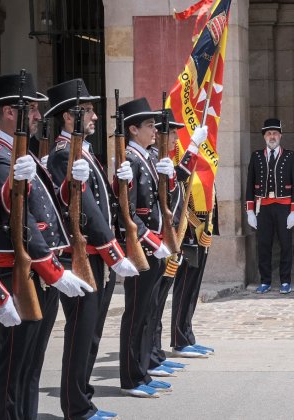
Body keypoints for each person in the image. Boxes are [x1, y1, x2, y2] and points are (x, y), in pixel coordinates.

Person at [0, 72, 94, 420]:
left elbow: (50, 206)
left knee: (30, 368)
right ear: (10, 112)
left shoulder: (22, 157)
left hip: (36, 273)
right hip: (14, 276)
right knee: (10, 374)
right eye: (32, 109)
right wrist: (54, 272)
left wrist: (73, 184)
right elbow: (16, 216)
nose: (39, 115)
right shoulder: (2, 157)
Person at [46, 78, 138, 419]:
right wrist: (114, 253)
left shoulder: (83, 153)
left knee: (92, 333)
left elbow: (103, 203)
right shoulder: (62, 154)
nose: (95, 116)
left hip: (98, 256)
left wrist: (121, 182)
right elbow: (82, 209)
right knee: (80, 334)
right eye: (87, 110)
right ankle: (76, 406)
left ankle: (84, 399)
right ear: (69, 117)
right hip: (83, 256)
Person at [117, 97, 174, 398]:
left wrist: (170, 175)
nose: (155, 131)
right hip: (143, 247)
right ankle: (131, 376)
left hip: (155, 246)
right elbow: (127, 212)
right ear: (133, 129)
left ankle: (143, 370)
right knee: (136, 313)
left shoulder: (148, 157)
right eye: (150, 125)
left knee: (148, 311)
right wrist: (153, 241)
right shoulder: (129, 160)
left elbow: (161, 202)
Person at [165, 112, 218, 358]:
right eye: (173, 131)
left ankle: (186, 335)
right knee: (183, 286)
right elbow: (178, 185)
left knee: (192, 288)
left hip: (199, 230)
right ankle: (179, 339)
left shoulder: (195, 154)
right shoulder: (169, 156)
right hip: (185, 231)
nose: (176, 135)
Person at [245, 118, 294, 294]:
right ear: (264, 136)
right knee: (263, 245)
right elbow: (249, 185)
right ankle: (265, 281)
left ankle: (285, 281)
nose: (272, 136)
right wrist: (250, 211)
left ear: (280, 135)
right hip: (263, 208)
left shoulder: (290, 156)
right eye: (268, 133)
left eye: (275, 133)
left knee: (285, 245)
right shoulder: (256, 156)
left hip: (284, 207)